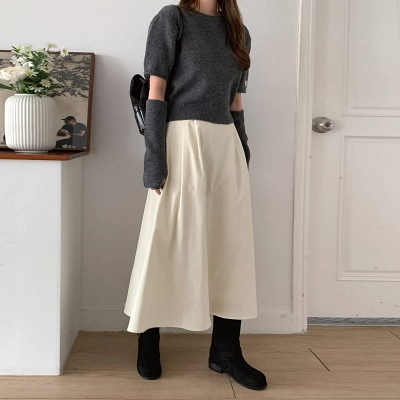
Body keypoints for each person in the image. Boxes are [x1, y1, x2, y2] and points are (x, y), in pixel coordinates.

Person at [124, 0, 267, 391]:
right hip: (182, 141)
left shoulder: (239, 31)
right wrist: (155, 158)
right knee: (164, 241)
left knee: (230, 247)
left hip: (225, 147)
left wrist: (243, 152)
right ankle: (148, 341)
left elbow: (235, 101)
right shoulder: (172, 19)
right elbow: (156, 92)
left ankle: (226, 351)